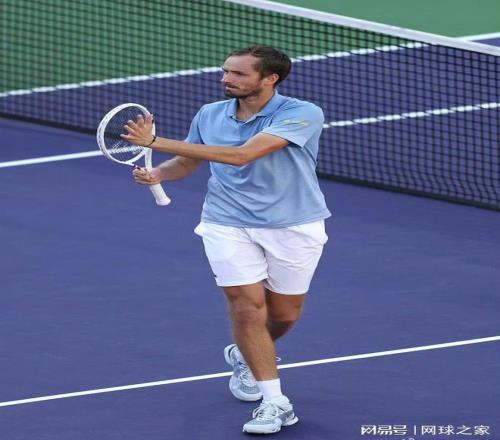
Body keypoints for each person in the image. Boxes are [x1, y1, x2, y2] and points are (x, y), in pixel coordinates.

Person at [123, 45, 331, 435]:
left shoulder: (302, 113)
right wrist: (160, 174)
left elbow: (241, 156)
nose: (226, 79)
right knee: (246, 309)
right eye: (225, 71)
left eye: (238, 74)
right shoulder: (210, 113)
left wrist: (155, 143)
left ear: (270, 79)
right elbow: (187, 163)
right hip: (226, 222)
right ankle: (275, 403)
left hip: (294, 224)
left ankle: (245, 353)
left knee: (284, 316)